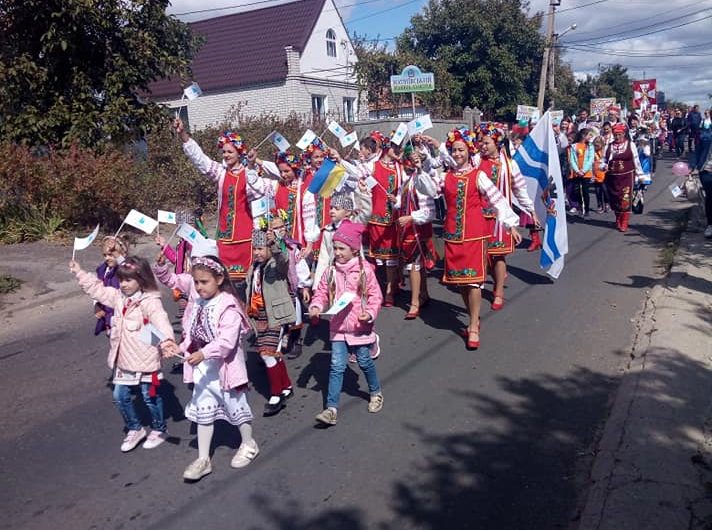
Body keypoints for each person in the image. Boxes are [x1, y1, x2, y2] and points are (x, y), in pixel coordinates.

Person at [154, 252, 258, 481]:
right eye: (196, 282)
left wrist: (203, 353)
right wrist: (180, 348)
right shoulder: (197, 303)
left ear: (219, 280)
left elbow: (227, 342)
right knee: (203, 411)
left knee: (236, 408)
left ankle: (249, 443)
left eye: (204, 282)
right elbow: (191, 333)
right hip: (203, 369)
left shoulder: (228, 306)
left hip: (225, 369)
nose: (199, 287)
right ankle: (203, 458)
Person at [423, 129, 521, 349]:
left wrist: (510, 223)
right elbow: (429, 190)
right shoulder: (445, 177)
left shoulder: (479, 175)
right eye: (454, 150)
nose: (457, 154)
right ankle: (472, 316)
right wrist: (422, 170)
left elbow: (497, 199)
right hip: (452, 237)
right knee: (461, 283)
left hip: (474, 236)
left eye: (461, 150)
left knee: (473, 280)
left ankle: (474, 325)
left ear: (469, 151)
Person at [70, 256, 177, 452]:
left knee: (149, 396)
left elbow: (161, 321)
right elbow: (98, 290)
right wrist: (79, 272)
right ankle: (135, 428)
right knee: (120, 396)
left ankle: (159, 428)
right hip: (124, 358)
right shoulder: (118, 297)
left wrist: (168, 341)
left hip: (146, 357)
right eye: (121, 280)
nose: (124, 284)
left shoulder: (150, 301)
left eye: (128, 280)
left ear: (141, 279)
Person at [173, 118, 270, 282]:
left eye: (230, 152)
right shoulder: (221, 172)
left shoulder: (250, 174)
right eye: (224, 152)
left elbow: (260, 206)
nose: (226, 155)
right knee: (225, 283)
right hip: (225, 240)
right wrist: (183, 135)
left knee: (251, 282)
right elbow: (200, 160)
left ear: (239, 153)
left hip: (246, 238)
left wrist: (260, 241)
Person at [309, 220, 383, 426]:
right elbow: (322, 292)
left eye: (342, 248)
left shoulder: (364, 271)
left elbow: (375, 297)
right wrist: (316, 306)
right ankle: (331, 409)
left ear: (354, 249)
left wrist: (368, 314)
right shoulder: (330, 271)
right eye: (335, 248)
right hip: (337, 327)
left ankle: (376, 392)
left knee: (365, 361)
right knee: (336, 366)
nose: (338, 252)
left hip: (359, 327)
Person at [476, 124, 536, 312]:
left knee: (498, 254)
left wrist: (531, 210)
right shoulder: (476, 160)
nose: (482, 146)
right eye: (481, 142)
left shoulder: (509, 164)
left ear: (497, 143)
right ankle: (495, 279)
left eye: (486, 142)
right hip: (479, 215)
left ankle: (499, 291)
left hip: (501, 217)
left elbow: (519, 189)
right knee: (485, 255)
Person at [245, 228, 296, 416]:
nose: (257, 252)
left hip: (277, 315)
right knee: (273, 353)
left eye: (261, 248)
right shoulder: (254, 267)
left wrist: (274, 244)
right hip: (261, 316)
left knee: (267, 354)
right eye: (255, 249)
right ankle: (287, 386)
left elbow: (283, 259)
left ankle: (276, 395)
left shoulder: (276, 264)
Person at [397, 145, 437, 320]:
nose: (406, 165)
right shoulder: (408, 181)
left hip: (418, 230)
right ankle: (424, 294)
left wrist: (411, 218)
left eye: (410, 161)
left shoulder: (422, 179)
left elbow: (430, 210)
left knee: (413, 265)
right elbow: (402, 202)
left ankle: (414, 303)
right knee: (417, 265)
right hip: (408, 229)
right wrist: (395, 201)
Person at [362, 131, 402, 307]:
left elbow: (408, 189)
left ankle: (389, 291)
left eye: (399, 147)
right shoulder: (373, 166)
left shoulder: (401, 168)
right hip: (376, 217)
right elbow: (358, 174)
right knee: (379, 257)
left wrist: (399, 200)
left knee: (392, 257)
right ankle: (382, 286)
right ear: (387, 147)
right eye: (395, 147)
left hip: (394, 219)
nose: (398, 150)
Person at [603, 123, 644, 232]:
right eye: (616, 134)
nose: (617, 137)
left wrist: (640, 174)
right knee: (615, 199)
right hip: (612, 177)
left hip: (627, 176)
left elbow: (636, 160)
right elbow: (603, 160)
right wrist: (603, 166)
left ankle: (624, 221)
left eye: (620, 134)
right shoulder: (609, 146)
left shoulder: (630, 145)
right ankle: (618, 218)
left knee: (625, 198)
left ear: (624, 134)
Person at [93, 236, 129, 337]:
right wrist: (97, 305)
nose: (107, 258)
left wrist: (117, 254)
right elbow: (97, 289)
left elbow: (126, 266)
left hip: (124, 316)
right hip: (109, 317)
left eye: (111, 254)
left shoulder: (124, 270)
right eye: (105, 255)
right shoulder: (103, 270)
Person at [567, 128, 595, 216]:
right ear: (583, 135)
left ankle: (586, 210)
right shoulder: (574, 146)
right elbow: (572, 159)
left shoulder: (590, 146)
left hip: (586, 173)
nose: (590, 137)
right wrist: (577, 170)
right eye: (589, 135)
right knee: (577, 190)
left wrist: (583, 170)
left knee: (585, 191)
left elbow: (590, 159)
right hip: (577, 173)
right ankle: (580, 207)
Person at [592, 136, 610, 213]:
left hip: (604, 173)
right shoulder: (592, 152)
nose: (596, 147)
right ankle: (599, 205)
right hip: (595, 173)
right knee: (597, 191)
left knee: (605, 190)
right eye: (595, 145)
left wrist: (606, 166)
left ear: (602, 145)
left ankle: (607, 204)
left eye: (598, 145)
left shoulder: (605, 152)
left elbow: (608, 161)